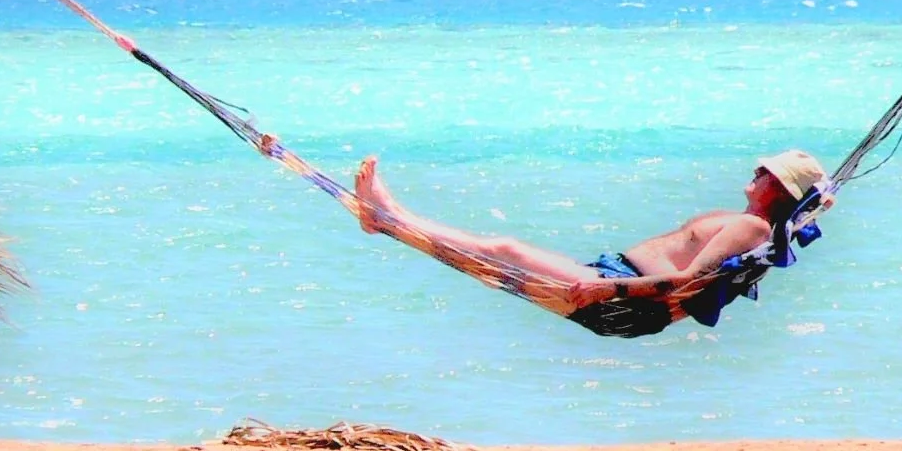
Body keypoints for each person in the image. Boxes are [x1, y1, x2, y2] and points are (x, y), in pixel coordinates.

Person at [353, 149, 829, 332]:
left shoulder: (753, 228)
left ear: (778, 188)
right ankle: (389, 221)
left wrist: (606, 288)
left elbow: (684, 282)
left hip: (624, 298)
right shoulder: (754, 226)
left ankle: (389, 217)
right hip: (619, 288)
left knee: (503, 253)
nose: (757, 170)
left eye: (766, 172)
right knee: (496, 264)